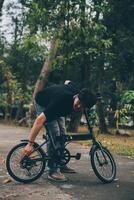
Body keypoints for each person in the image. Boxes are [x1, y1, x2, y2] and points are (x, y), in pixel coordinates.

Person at [23, 81, 97, 181]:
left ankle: (60, 163)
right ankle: (52, 170)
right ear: (77, 96)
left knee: (63, 134)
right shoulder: (60, 100)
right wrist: (30, 144)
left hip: (58, 106)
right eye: (79, 103)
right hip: (43, 103)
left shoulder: (80, 93)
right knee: (55, 135)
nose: (78, 106)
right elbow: (39, 120)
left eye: (82, 106)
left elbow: (67, 82)